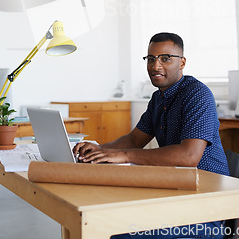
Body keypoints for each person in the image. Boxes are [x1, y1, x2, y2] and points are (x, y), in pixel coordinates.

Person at [73, 32, 230, 238]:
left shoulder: (197, 95)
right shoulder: (158, 98)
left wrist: (126, 155)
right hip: (175, 194)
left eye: (165, 58)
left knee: (114, 231)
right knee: (99, 218)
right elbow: (135, 139)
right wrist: (100, 149)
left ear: (182, 62)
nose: (155, 66)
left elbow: (188, 156)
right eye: (151, 58)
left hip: (206, 208)